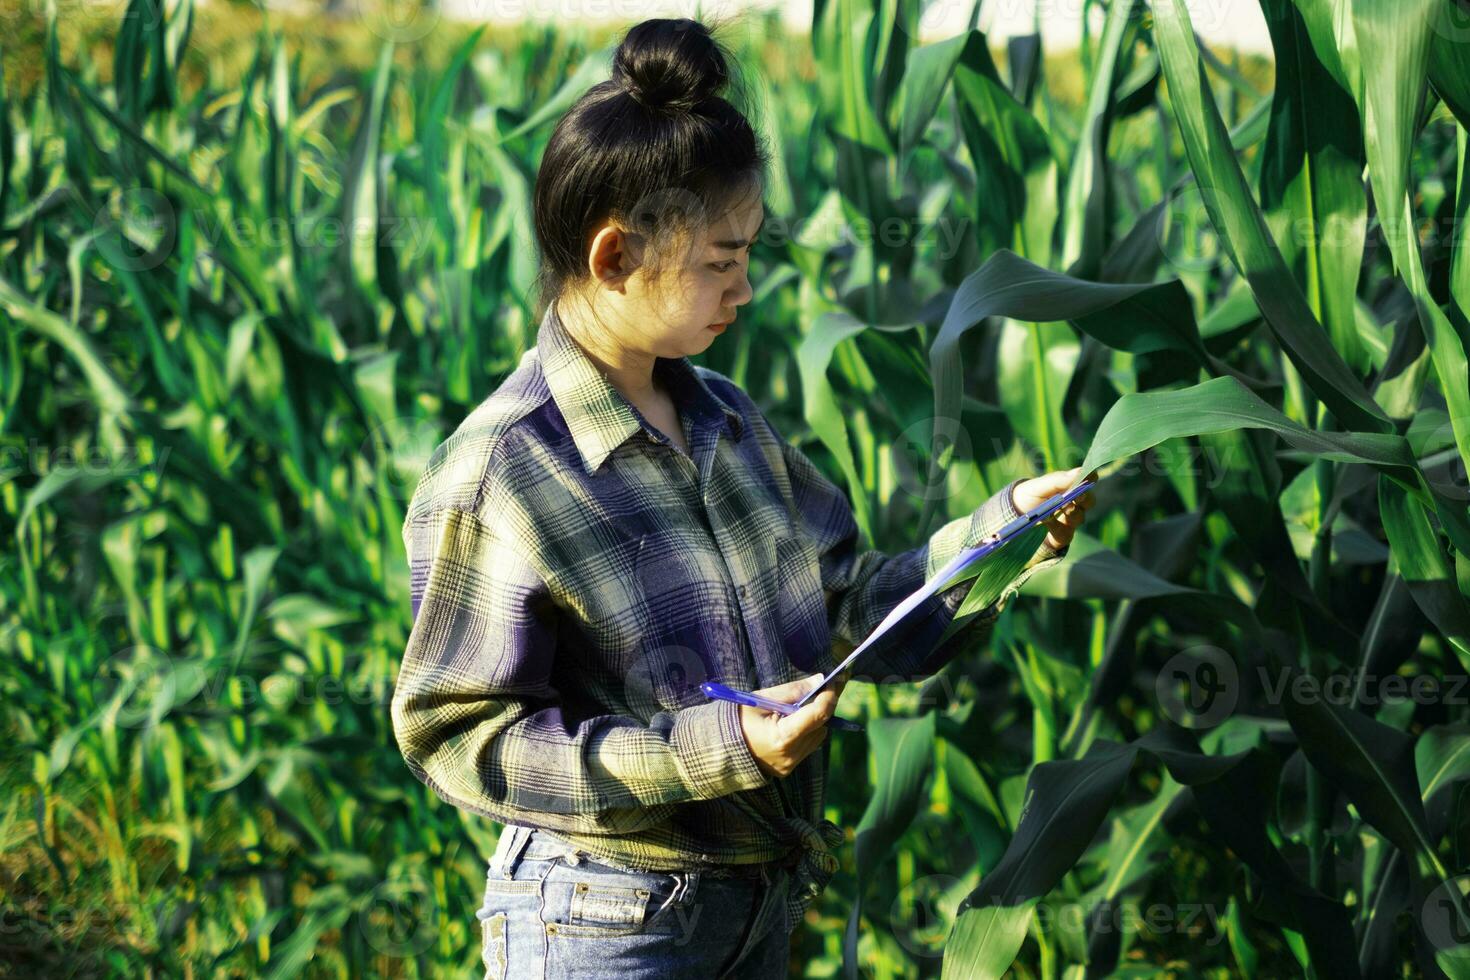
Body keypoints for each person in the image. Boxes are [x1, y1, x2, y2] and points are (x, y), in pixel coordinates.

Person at [390, 16, 1095, 979]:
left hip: (757, 910)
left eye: (749, 253)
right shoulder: (503, 472)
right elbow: (461, 731)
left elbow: (848, 607)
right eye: (722, 260)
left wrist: (1001, 537)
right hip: (605, 921)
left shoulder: (728, 421)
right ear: (614, 258)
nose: (747, 287)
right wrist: (715, 748)